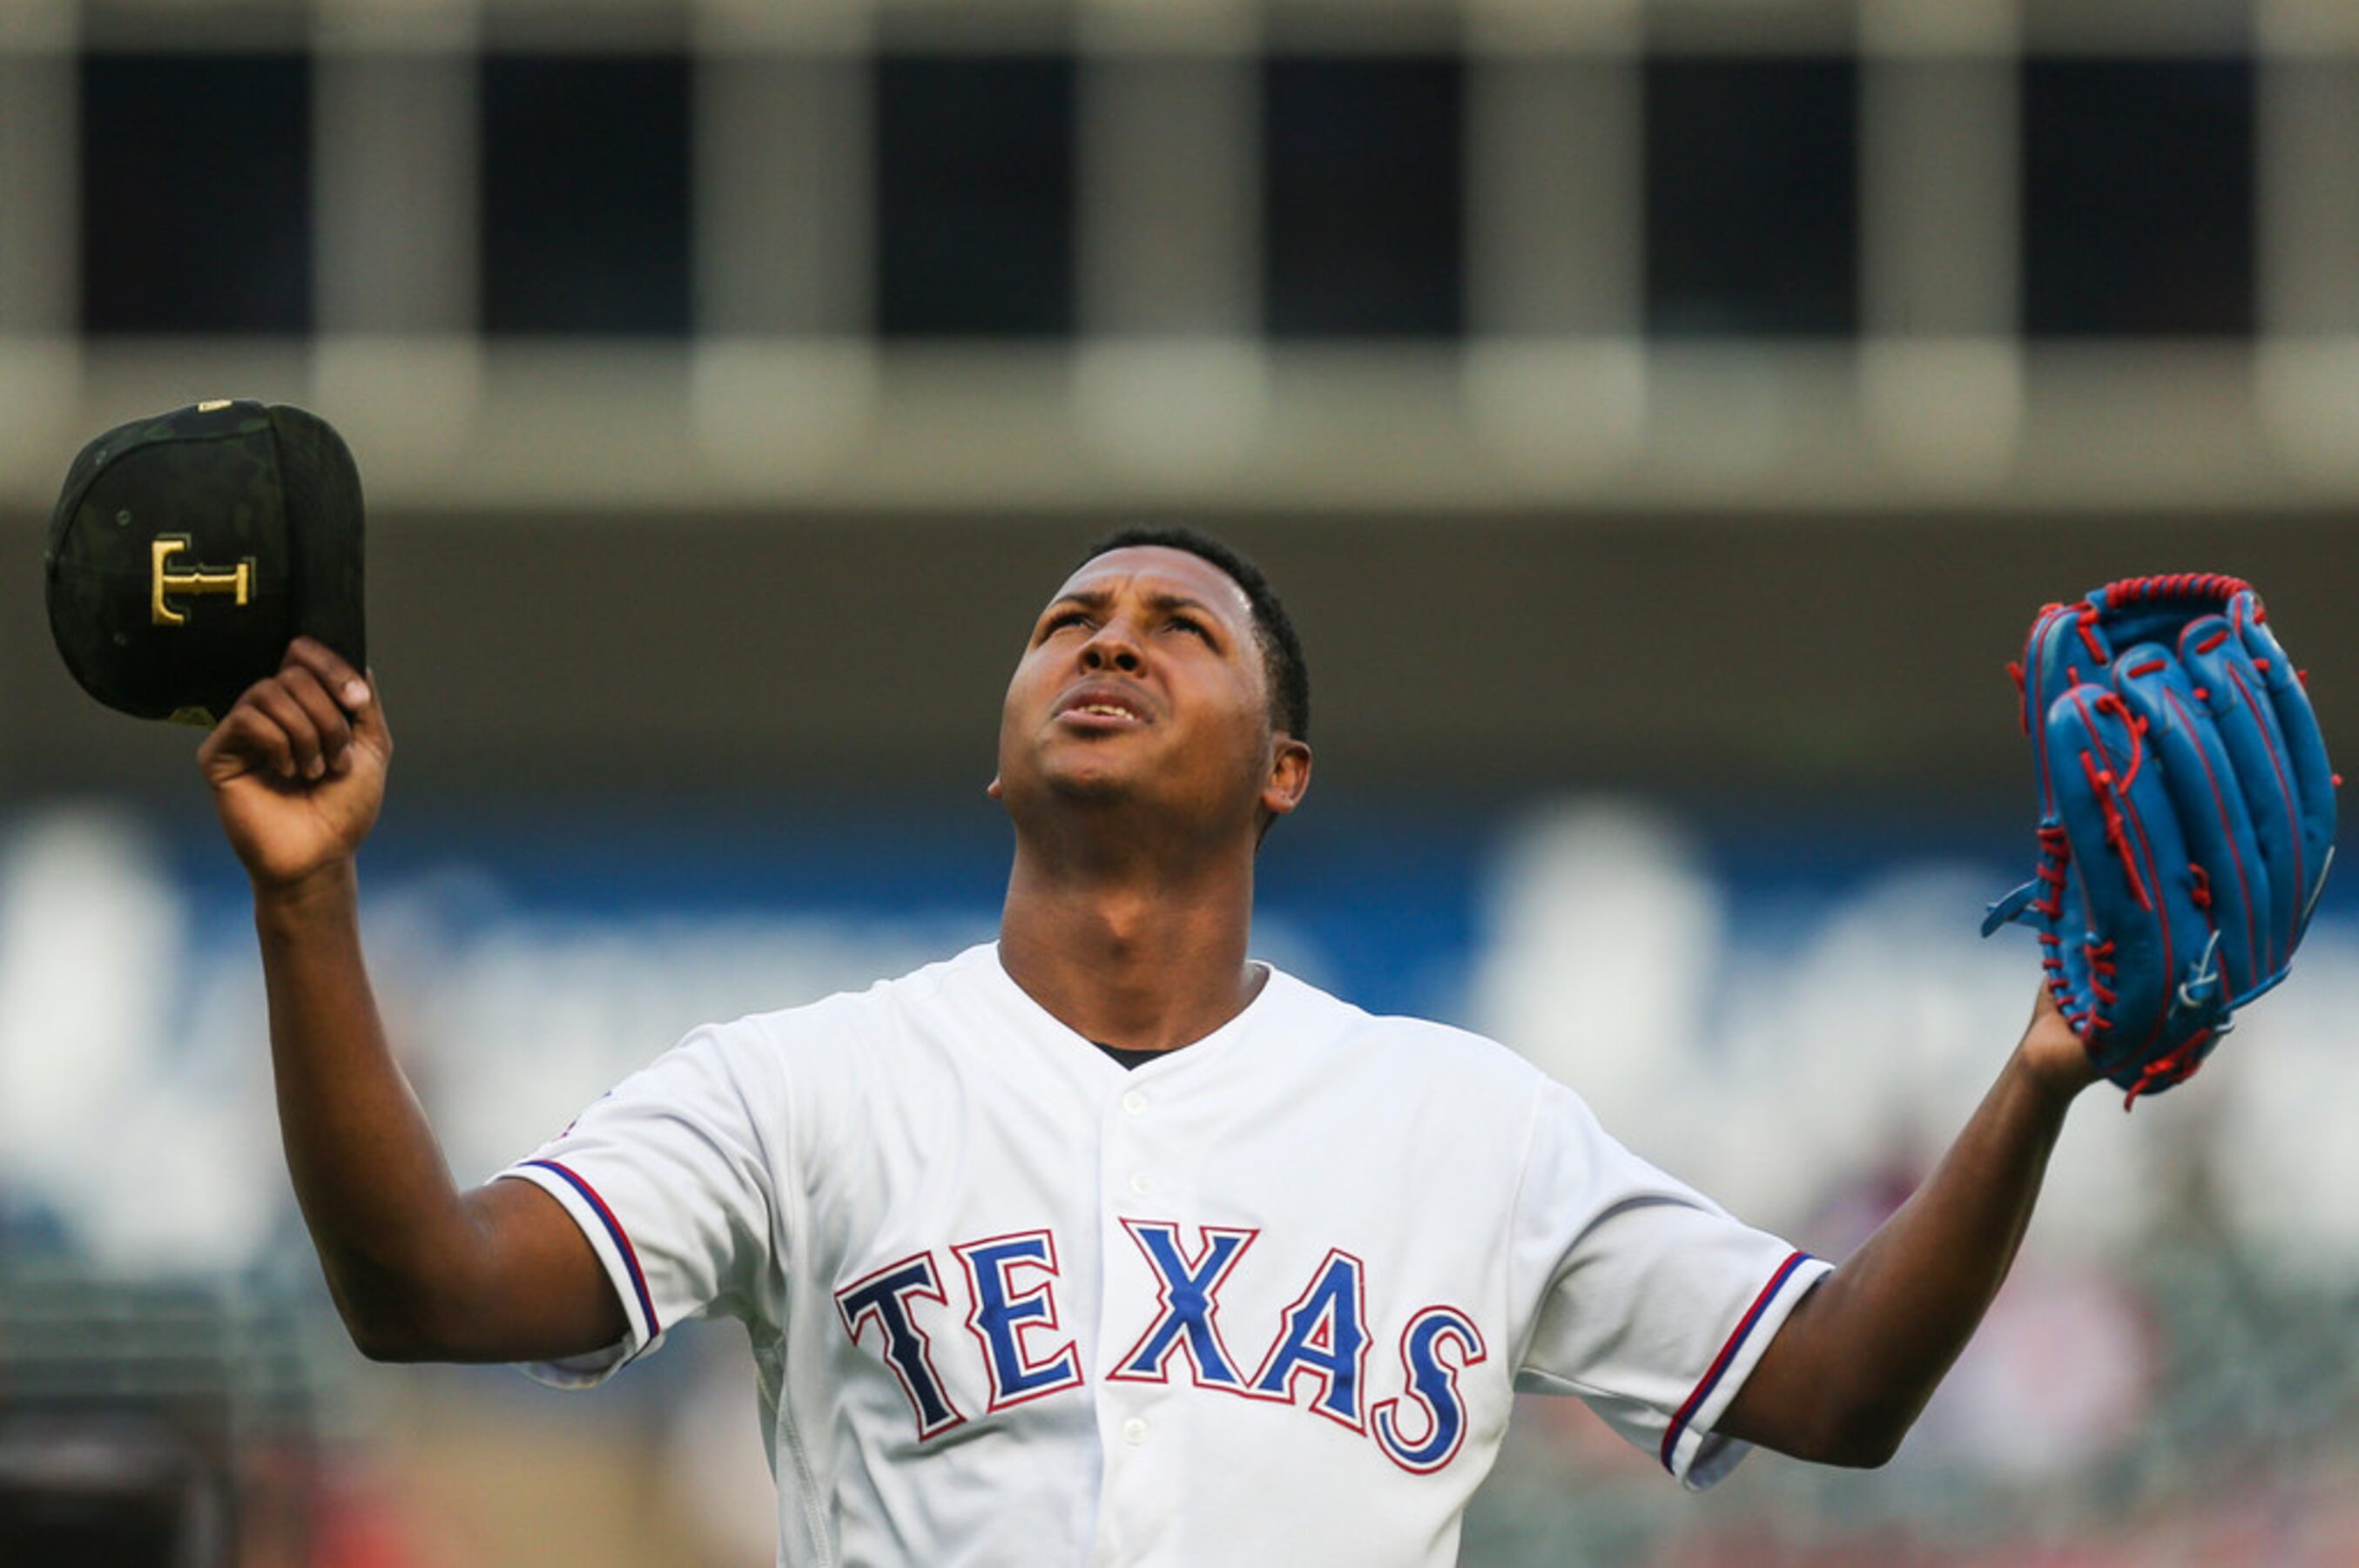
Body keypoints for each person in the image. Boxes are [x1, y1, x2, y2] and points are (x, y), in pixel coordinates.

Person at [200, 526, 2100, 1565]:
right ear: (1003, 740)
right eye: (1064, 624)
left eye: (1174, 626)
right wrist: (305, 901)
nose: (1105, 643)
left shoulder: (1465, 1123)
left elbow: (1834, 1388)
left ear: (1281, 769)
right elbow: (425, 1288)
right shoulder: (795, 1087)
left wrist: (2035, 1076)